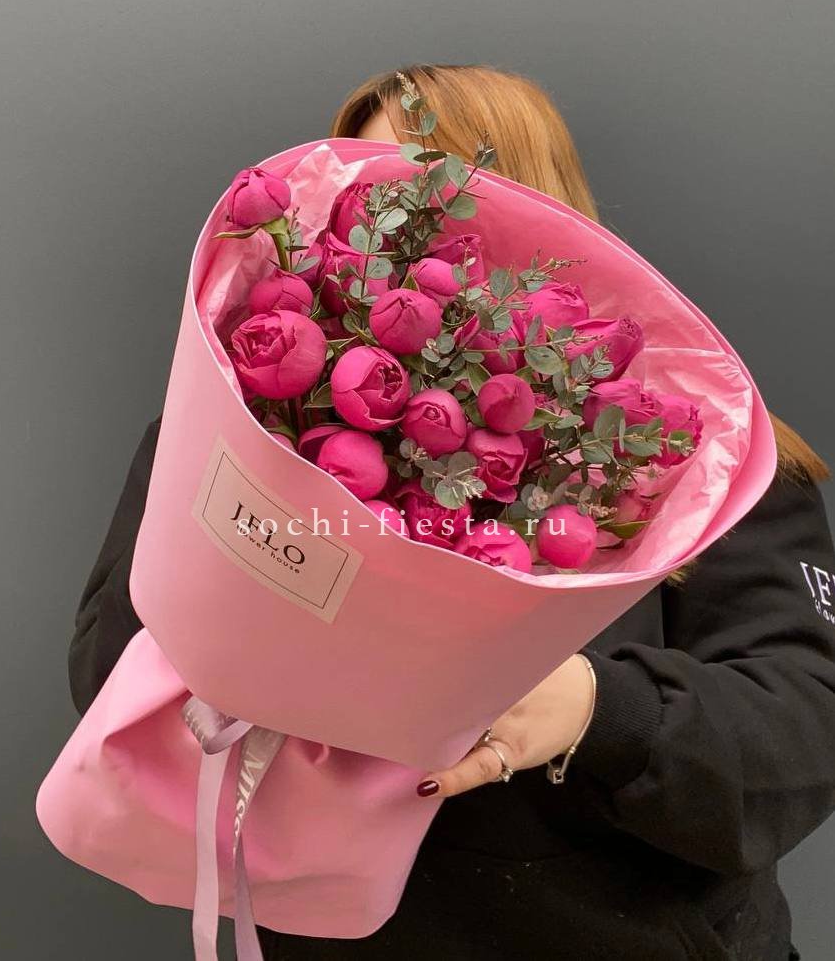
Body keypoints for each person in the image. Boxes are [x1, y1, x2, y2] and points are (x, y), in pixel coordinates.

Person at [69, 63, 835, 961]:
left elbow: (802, 730)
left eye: (425, 191)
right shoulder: (231, 432)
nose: (395, 227)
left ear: (537, 218)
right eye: (369, 195)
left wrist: (594, 707)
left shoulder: (691, 460)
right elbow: (102, 670)